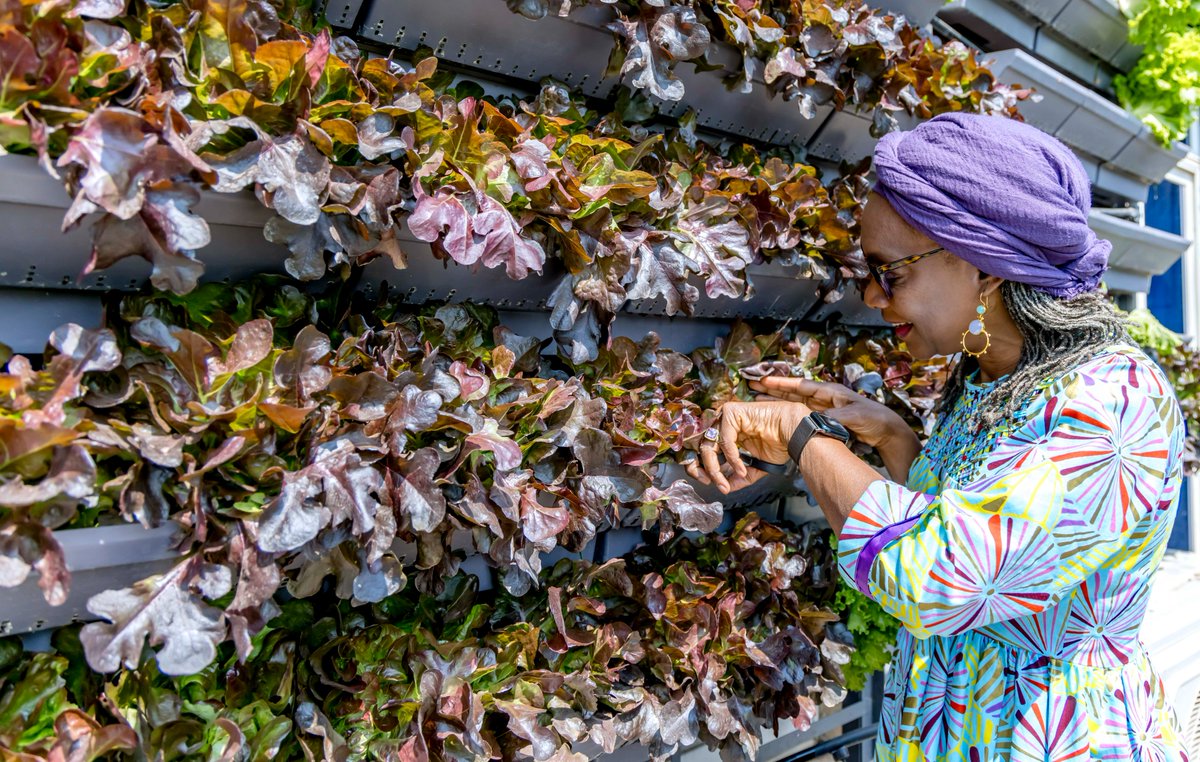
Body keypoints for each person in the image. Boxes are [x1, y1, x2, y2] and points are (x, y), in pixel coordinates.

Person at [688, 112, 1193, 761]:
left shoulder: (1111, 402)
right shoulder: (991, 377)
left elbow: (939, 577)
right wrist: (896, 439)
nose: (872, 297)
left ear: (985, 264)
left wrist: (804, 438)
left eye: (890, 273)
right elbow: (976, 520)